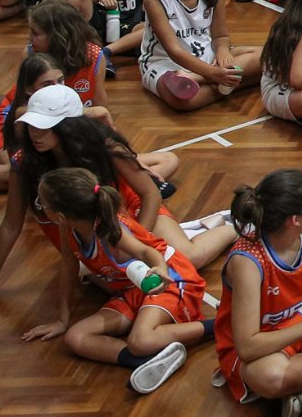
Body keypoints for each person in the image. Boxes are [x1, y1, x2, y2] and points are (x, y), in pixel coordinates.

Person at [23, 168, 211, 396]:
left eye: (42, 203)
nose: (40, 207)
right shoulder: (68, 228)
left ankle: (220, 324)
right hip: (133, 287)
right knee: (76, 337)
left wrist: (160, 270)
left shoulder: (109, 230)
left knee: (140, 340)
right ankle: (146, 360)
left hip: (169, 278)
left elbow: (147, 252)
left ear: (60, 214)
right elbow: (69, 266)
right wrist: (63, 319)